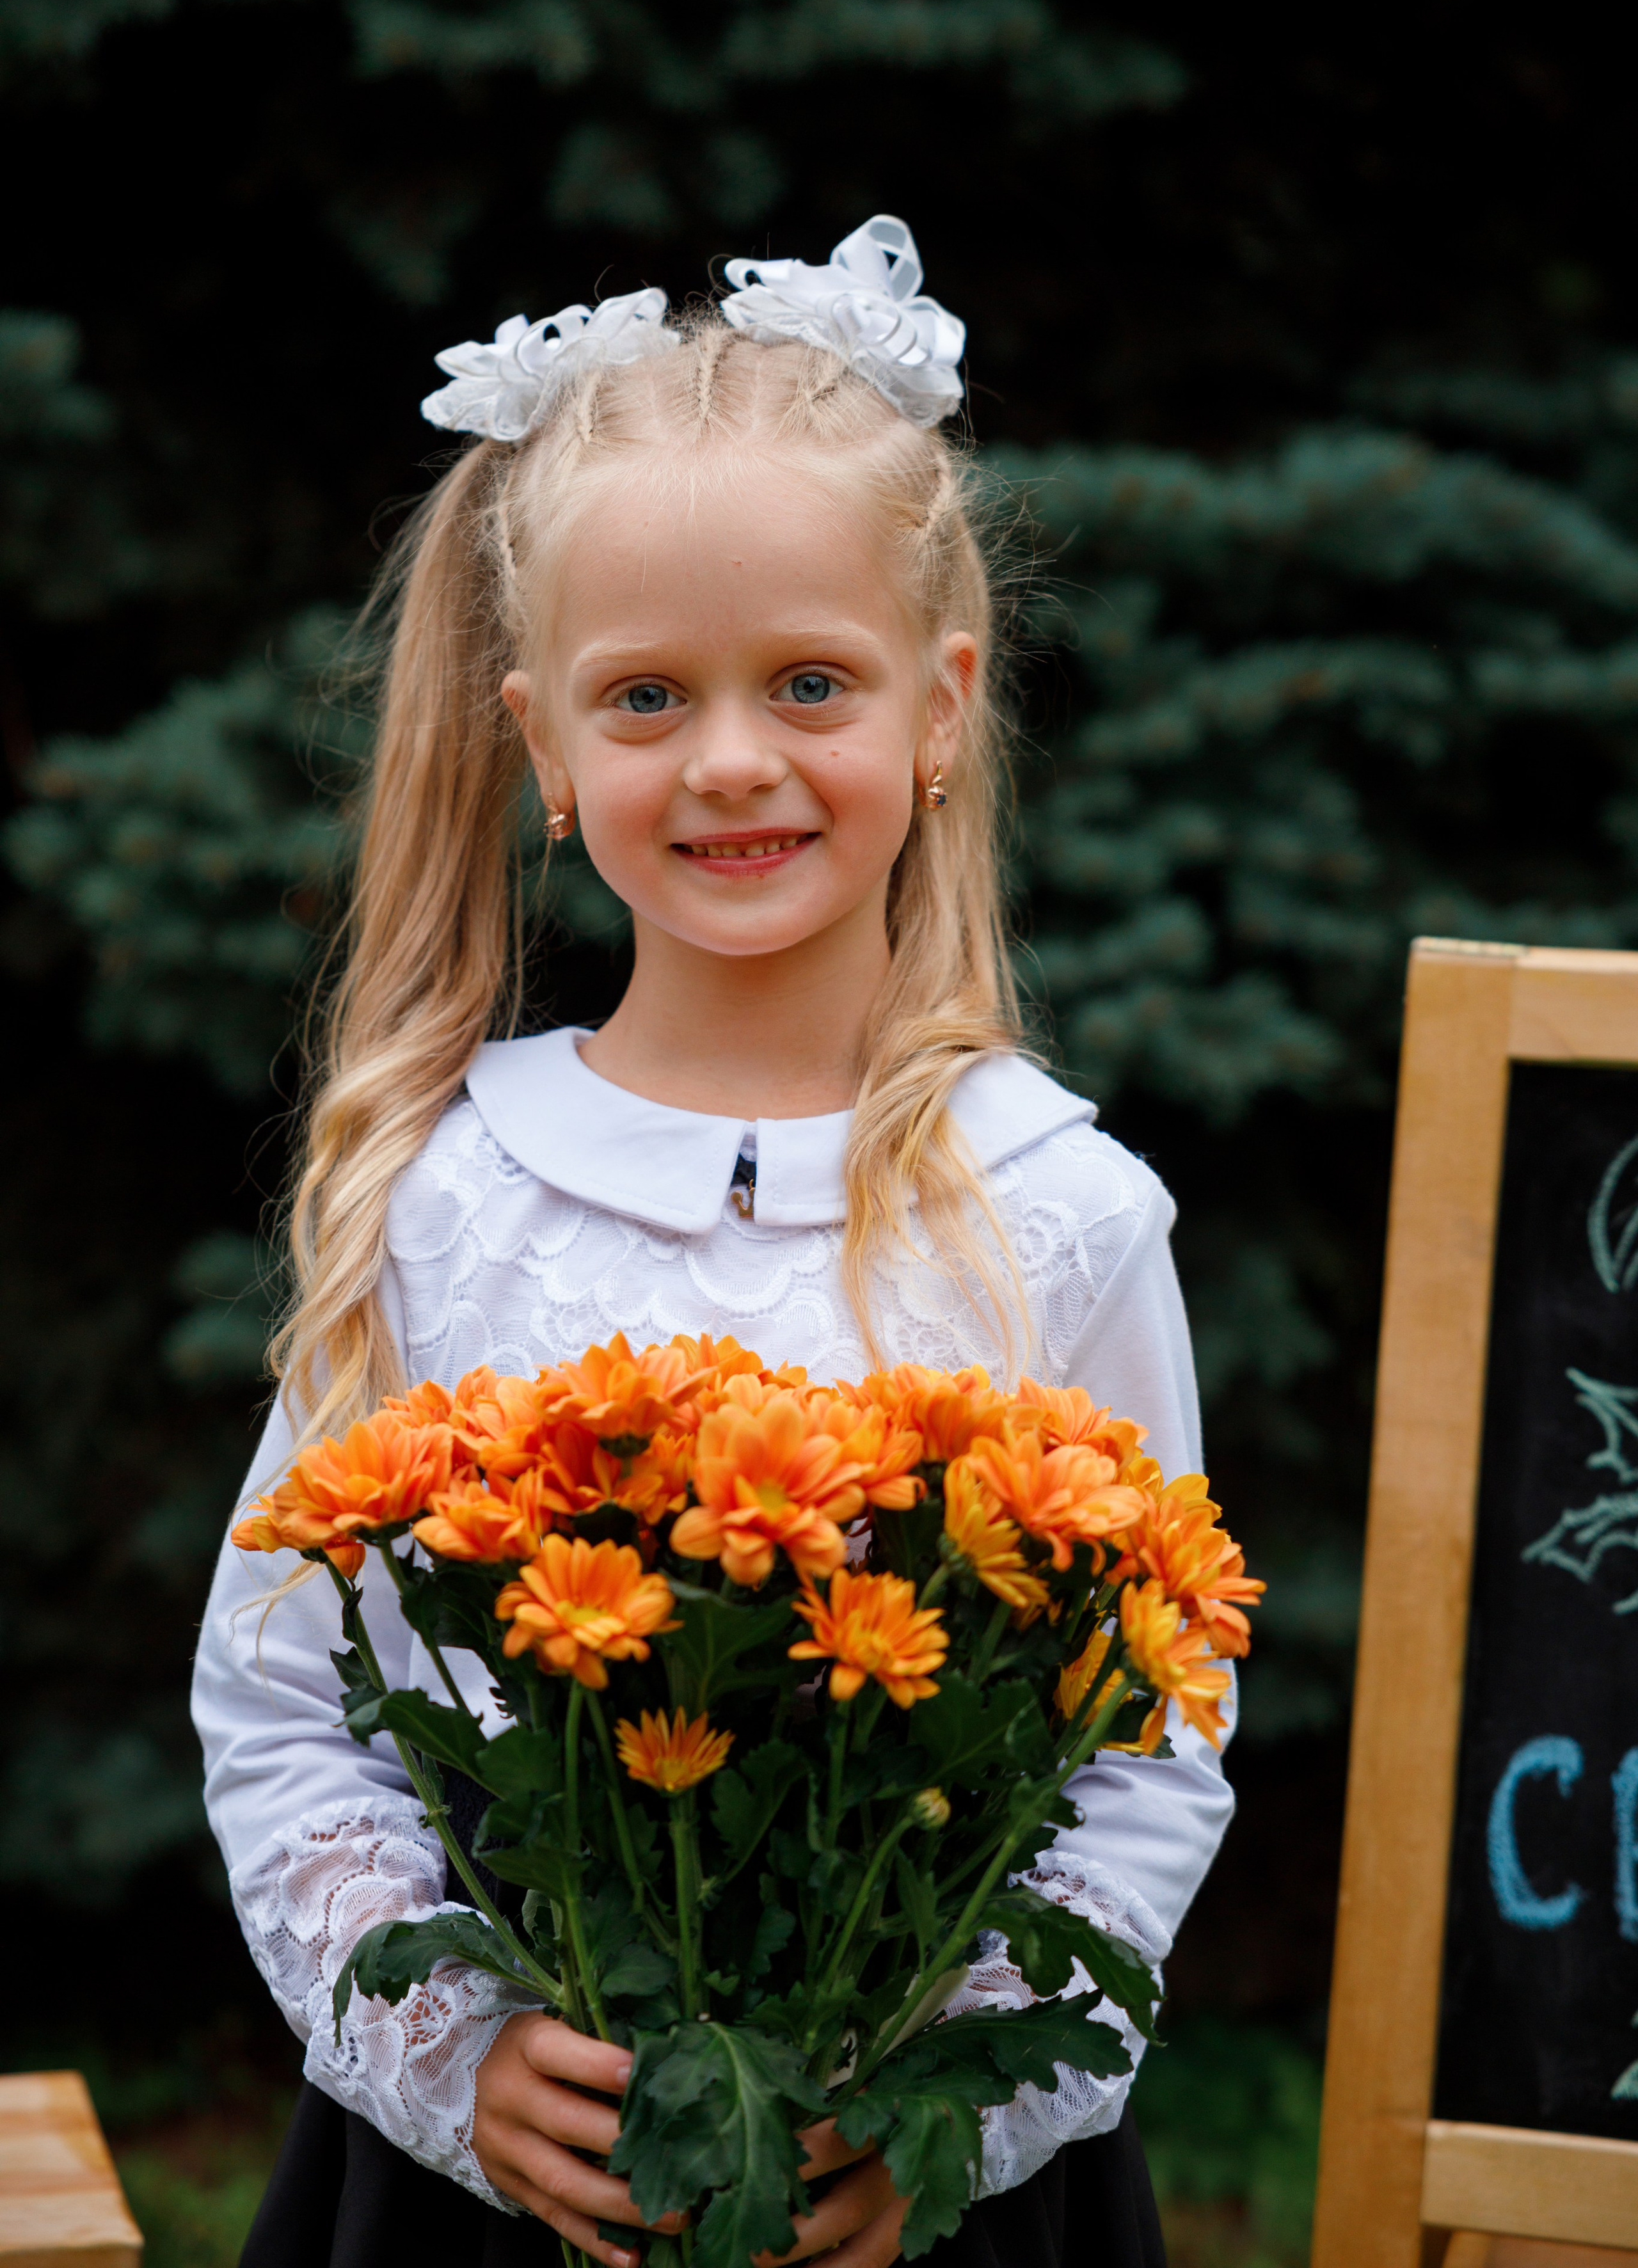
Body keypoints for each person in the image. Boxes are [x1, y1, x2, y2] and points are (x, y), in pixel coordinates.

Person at [193, 216, 1234, 2268]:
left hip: (918, 2196)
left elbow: (1156, 1721)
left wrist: (974, 2094)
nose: (735, 758)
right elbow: (282, 1698)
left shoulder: (1060, 1210)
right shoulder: (447, 1192)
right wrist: (457, 2055)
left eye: (811, 683)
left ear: (940, 710)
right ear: (546, 750)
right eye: (649, 696)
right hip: (503, 2192)